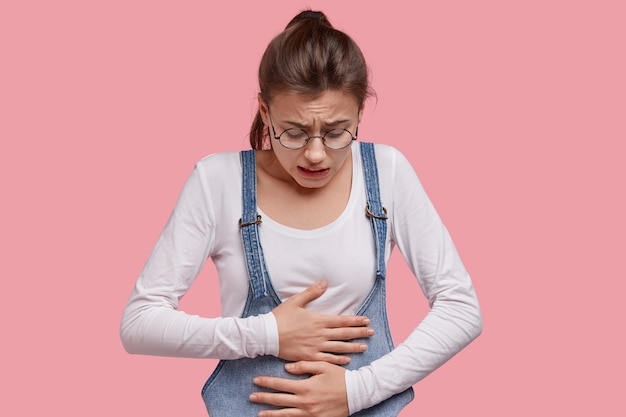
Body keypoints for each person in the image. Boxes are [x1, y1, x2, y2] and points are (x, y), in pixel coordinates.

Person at [120, 9, 482, 417]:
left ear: (361, 111)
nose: (314, 154)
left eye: (335, 131)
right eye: (292, 132)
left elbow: (461, 307)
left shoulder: (387, 171)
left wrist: (357, 391)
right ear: (265, 110)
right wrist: (266, 334)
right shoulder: (216, 180)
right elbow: (139, 324)